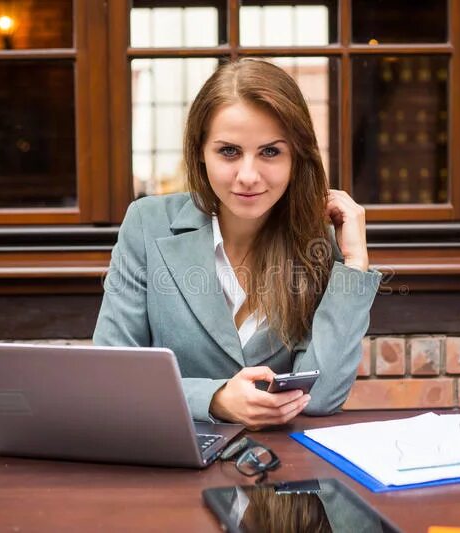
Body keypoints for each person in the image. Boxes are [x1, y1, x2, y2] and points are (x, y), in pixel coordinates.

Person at [93, 59, 381, 429]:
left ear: (297, 155)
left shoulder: (318, 243)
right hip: (171, 470)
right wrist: (213, 399)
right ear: (200, 151)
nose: (248, 176)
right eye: (229, 151)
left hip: (279, 476)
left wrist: (355, 263)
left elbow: (320, 397)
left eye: (270, 152)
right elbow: (112, 377)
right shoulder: (148, 224)